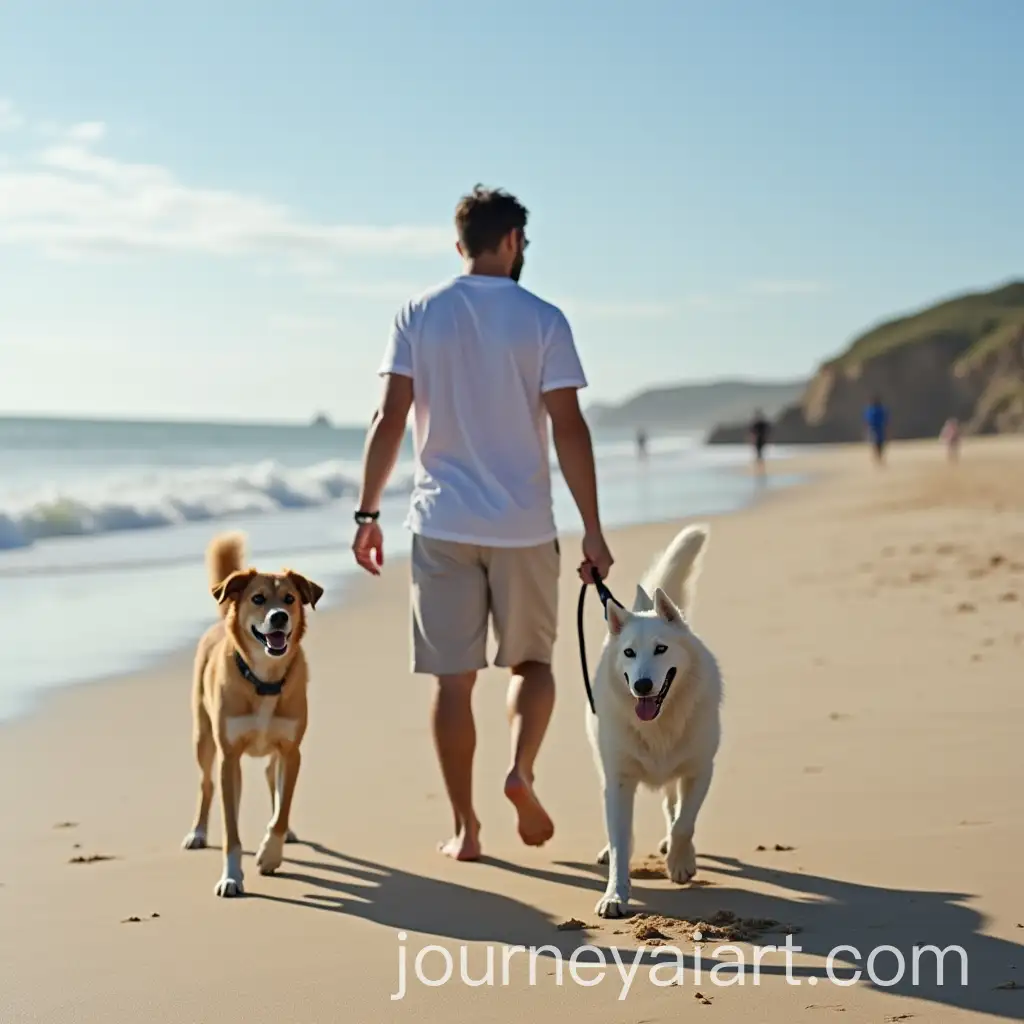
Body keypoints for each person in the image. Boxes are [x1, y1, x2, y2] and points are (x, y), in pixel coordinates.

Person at [350, 185, 614, 862]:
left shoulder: (418, 313)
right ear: (512, 241)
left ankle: (466, 829)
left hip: (440, 521)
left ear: (459, 243)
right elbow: (569, 427)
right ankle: (521, 771)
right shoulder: (544, 318)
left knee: (453, 681)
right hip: (523, 525)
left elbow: (389, 419)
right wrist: (594, 527)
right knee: (532, 663)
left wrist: (368, 511)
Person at [863, 396, 889, 464]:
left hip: (875, 428)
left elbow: (867, 420)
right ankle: (879, 457)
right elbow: (885, 419)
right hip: (878, 428)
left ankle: (878, 457)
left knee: (876, 443)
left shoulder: (872, 410)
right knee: (879, 443)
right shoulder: (880, 410)